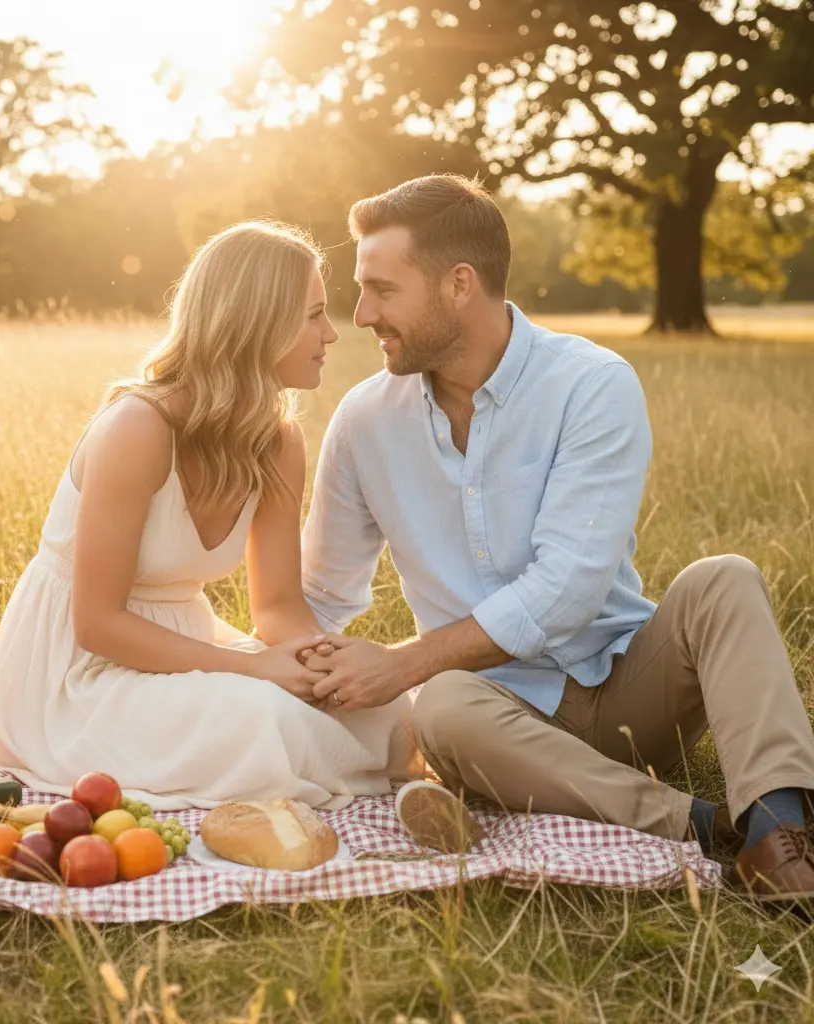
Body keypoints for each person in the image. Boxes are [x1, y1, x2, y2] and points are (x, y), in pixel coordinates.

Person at [299, 173, 814, 901]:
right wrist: (260, 685)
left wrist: (402, 662)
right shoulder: (362, 422)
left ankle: (780, 830)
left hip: (630, 691)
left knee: (724, 578)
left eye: (383, 290)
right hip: (494, 724)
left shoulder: (590, 384)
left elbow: (567, 590)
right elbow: (320, 593)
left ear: (459, 284)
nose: (361, 314)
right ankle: (703, 826)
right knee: (442, 705)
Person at [0, 221, 422, 811]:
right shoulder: (138, 429)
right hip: (74, 676)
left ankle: (397, 793)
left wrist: (319, 660)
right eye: (313, 314)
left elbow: (277, 606)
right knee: (262, 718)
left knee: (385, 708)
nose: (331, 334)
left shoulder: (277, 440)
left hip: (183, 649)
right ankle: (360, 785)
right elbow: (98, 624)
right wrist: (255, 671)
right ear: (255, 324)